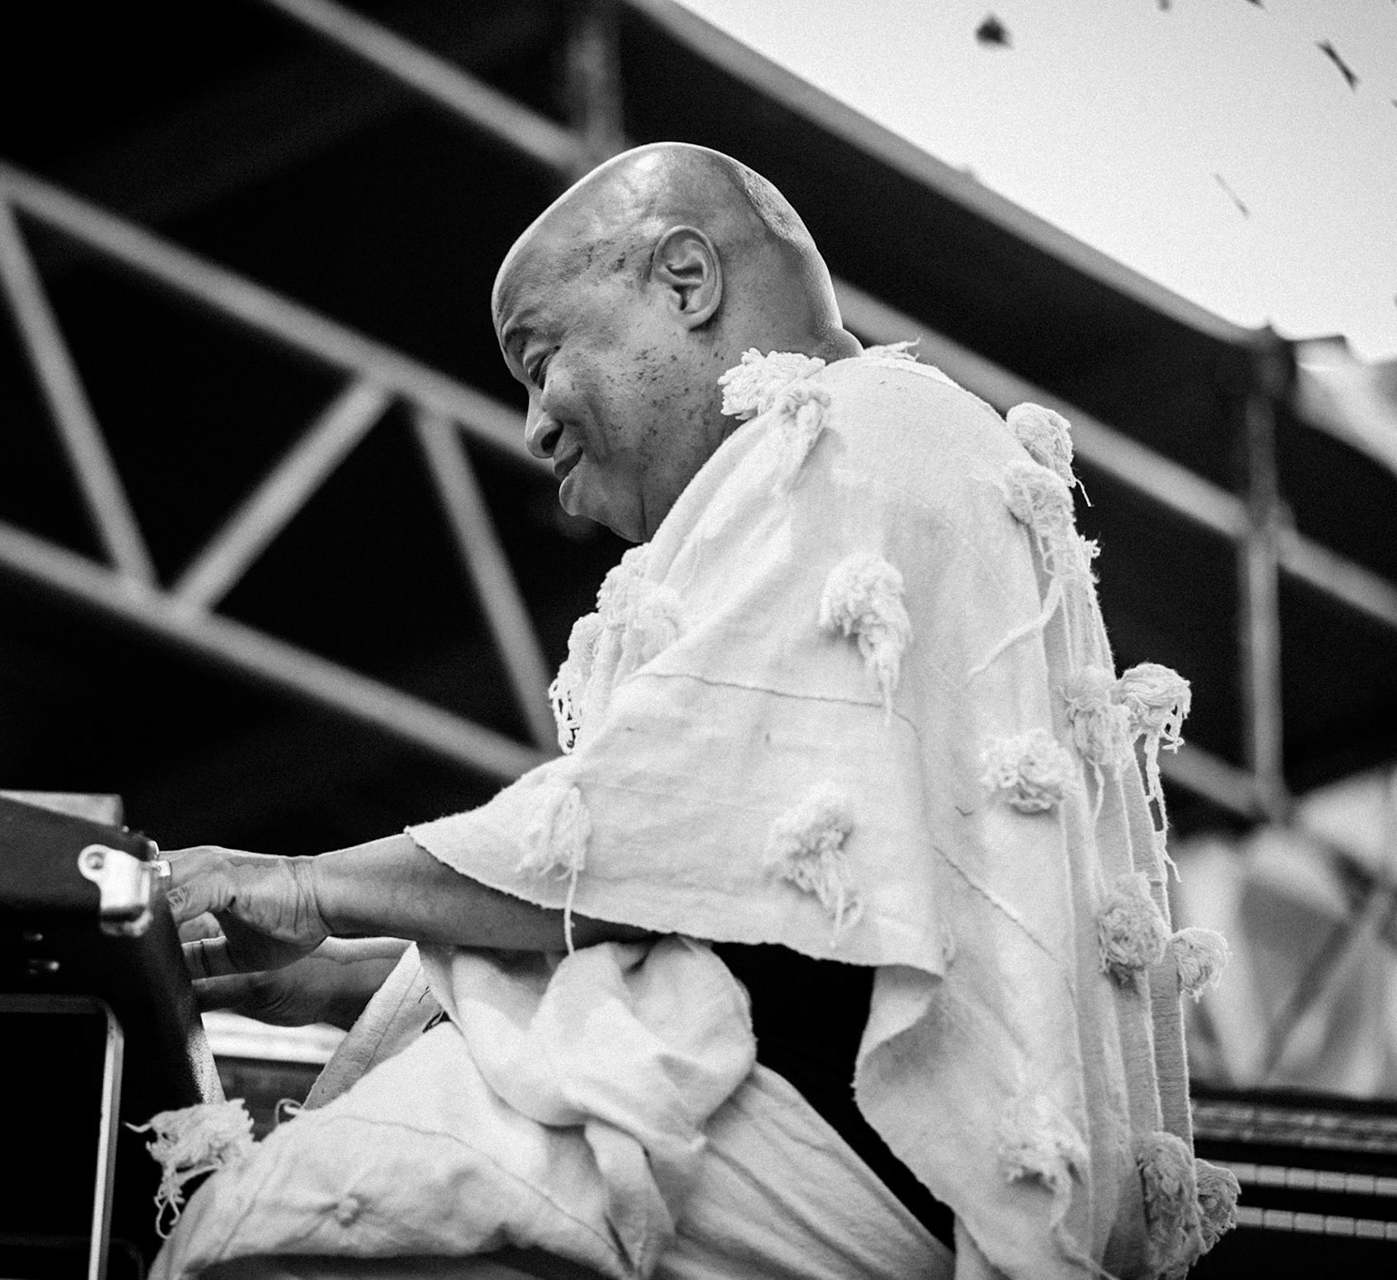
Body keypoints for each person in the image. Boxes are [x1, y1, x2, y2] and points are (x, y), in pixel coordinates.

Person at [149, 143, 1234, 1280]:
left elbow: (661, 822)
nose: (533, 426)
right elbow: (731, 909)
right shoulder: (860, 452)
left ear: (684, 280)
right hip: (822, 1145)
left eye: (541, 359)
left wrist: (309, 884)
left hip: (827, 1144)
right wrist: (340, 971)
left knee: (273, 1230)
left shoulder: (849, 433)